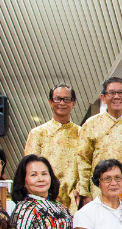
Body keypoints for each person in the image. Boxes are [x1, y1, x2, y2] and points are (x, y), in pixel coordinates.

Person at [79, 77, 122, 202]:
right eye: (111, 93)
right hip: (99, 191)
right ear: (103, 98)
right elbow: (83, 160)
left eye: (121, 93)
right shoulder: (91, 124)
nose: (116, 96)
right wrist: (85, 194)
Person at [23, 83, 82, 213]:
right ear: (50, 102)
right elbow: (29, 168)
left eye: (66, 99)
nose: (62, 103)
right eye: (57, 99)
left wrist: (80, 189)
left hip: (74, 199)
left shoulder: (82, 133)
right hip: (43, 197)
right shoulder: (38, 133)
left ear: (73, 103)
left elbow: (86, 165)